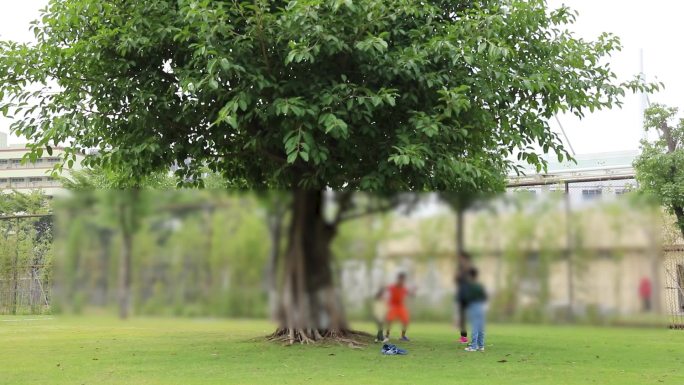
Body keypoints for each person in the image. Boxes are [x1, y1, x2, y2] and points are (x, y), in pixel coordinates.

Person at [463, 267, 487, 352]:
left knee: (474, 327)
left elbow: (467, 298)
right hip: (481, 306)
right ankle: (481, 346)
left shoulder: (470, 286)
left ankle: (473, 346)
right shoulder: (480, 286)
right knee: (481, 327)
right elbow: (484, 297)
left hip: (473, 306)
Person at [385, 272, 415, 341]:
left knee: (406, 320)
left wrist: (413, 292)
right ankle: (387, 335)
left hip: (400, 306)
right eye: (401, 279)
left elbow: (410, 294)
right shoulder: (392, 287)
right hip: (393, 305)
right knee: (390, 320)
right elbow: (385, 289)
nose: (402, 281)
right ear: (398, 279)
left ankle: (403, 336)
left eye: (403, 279)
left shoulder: (404, 288)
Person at [455, 252, 472, 344]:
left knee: (466, 316)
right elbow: (456, 279)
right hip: (462, 294)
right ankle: (463, 336)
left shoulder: (468, 269)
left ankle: (468, 337)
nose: (460, 260)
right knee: (462, 316)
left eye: (461, 258)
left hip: (466, 294)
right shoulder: (461, 268)